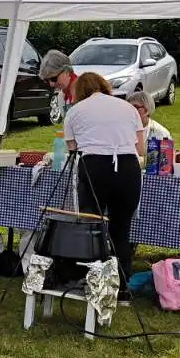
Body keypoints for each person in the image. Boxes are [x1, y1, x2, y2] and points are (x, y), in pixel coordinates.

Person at [64, 72, 146, 292]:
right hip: (128, 167)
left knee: (92, 225)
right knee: (121, 228)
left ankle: (93, 278)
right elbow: (141, 148)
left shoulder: (74, 112)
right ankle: (122, 284)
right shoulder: (128, 108)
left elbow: (72, 150)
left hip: (94, 167)